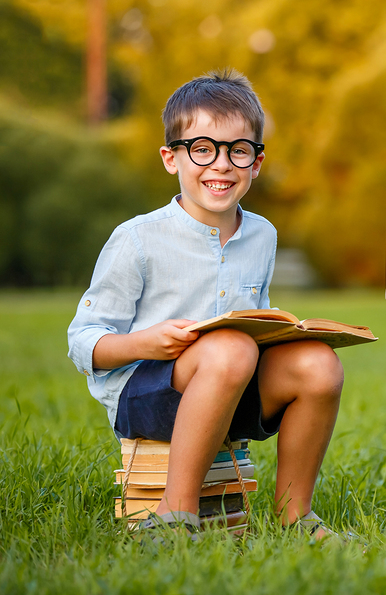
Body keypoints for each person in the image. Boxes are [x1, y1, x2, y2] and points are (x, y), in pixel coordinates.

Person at [67, 68, 344, 539]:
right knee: (230, 348)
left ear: (256, 162)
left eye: (238, 150)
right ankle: (174, 517)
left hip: (230, 385)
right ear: (171, 158)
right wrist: (145, 342)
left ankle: (296, 516)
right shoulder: (137, 239)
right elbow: (83, 343)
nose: (221, 165)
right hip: (147, 397)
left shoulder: (263, 234)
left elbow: (253, 322)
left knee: (319, 364)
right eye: (202, 149)